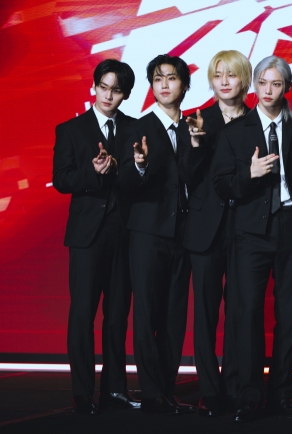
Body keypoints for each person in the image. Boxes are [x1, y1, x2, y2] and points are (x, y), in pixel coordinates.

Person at [212, 55, 292, 422]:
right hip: (251, 233)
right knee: (247, 313)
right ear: (254, 86)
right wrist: (250, 173)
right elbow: (222, 184)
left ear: (286, 87)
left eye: (276, 84)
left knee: (287, 314)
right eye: (263, 83)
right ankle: (249, 395)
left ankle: (281, 396)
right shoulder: (235, 132)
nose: (269, 91)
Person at [53, 59, 138, 414]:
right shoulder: (71, 129)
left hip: (125, 235)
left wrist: (132, 167)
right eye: (103, 87)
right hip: (87, 236)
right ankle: (83, 392)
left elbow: (142, 179)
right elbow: (62, 180)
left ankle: (114, 389)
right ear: (94, 87)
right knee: (83, 314)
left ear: (126, 95)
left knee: (118, 315)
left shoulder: (136, 128)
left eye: (116, 90)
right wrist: (92, 170)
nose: (108, 95)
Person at [118, 54, 201, 414]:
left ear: (185, 85)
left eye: (171, 78)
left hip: (184, 235)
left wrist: (198, 148)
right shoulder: (137, 129)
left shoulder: (194, 128)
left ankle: (168, 388)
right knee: (148, 313)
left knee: (173, 315)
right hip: (148, 234)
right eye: (157, 79)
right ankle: (151, 392)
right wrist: (138, 165)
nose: (164, 84)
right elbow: (123, 182)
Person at [181, 50, 252, 416]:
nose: (224, 81)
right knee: (206, 313)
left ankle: (238, 385)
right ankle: (210, 389)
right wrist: (194, 145)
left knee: (241, 311)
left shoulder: (258, 121)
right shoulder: (197, 120)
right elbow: (186, 176)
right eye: (218, 75)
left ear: (245, 80)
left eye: (232, 75)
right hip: (206, 229)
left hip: (245, 230)